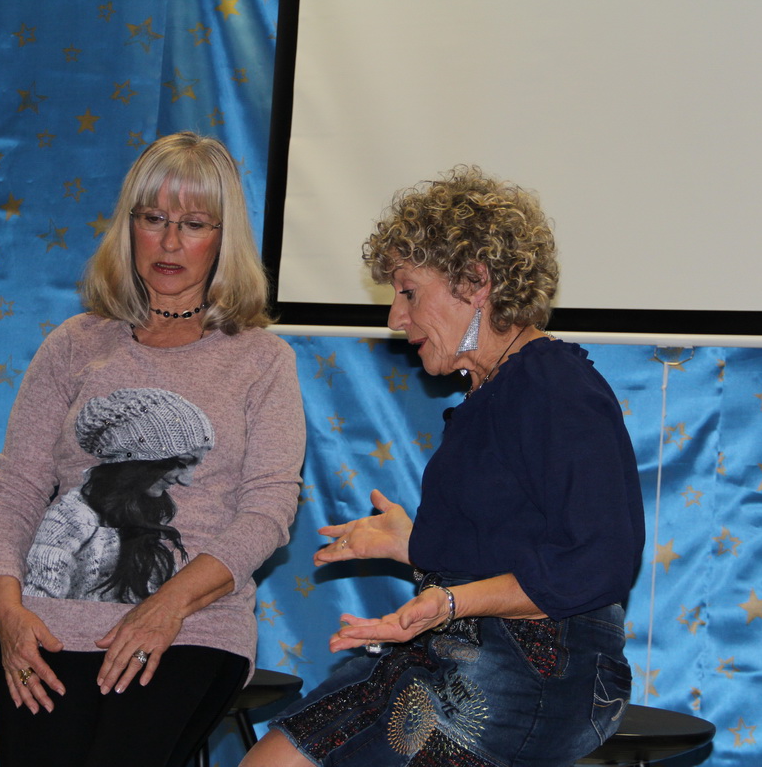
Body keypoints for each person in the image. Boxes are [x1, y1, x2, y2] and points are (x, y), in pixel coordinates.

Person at [242, 165, 644, 767]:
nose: (394, 318)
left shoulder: (554, 384)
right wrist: (414, 545)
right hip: (451, 648)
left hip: (539, 666)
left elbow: (599, 562)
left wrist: (451, 602)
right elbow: (510, 545)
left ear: (475, 282)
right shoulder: (491, 394)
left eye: (408, 292)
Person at [0, 131, 306, 767]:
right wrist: (7, 612)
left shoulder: (262, 359)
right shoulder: (74, 343)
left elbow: (268, 511)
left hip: (190, 628)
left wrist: (167, 607)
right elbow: (15, 488)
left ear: (224, 239)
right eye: (154, 218)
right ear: (129, 226)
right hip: (45, 630)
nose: (171, 242)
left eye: (195, 224)